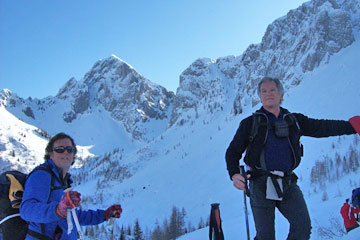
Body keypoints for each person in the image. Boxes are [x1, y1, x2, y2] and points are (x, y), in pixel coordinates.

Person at [225, 77, 360, 240]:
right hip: (259, 183)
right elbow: (233, 151)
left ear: (281, 94)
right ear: (259, 97)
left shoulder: (293, 120)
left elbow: (321, 127)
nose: (268, 94)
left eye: (272, 90)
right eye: (264, 91)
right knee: (266, 236)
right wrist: (234, 174)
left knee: (302, 227)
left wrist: (352, 126)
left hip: (287, 182)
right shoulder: (250, 123)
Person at [20, 132, 123, 240]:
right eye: (60, 149)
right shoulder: (41, 175)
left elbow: (72, 217)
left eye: (69, 149)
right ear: (50, 154)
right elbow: (27, 210)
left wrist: (104, 214)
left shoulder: (62, 181)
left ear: (73, 156)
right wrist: (58, 210)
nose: (65, 152)